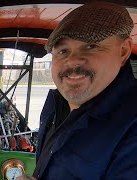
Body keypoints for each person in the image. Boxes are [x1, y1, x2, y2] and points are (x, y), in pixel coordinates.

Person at [19, 1, 137, 179]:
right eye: (63, 51)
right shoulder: (55, 105)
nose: (73, 61)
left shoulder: (131, 125)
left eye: (91, 46)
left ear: (123, 51)